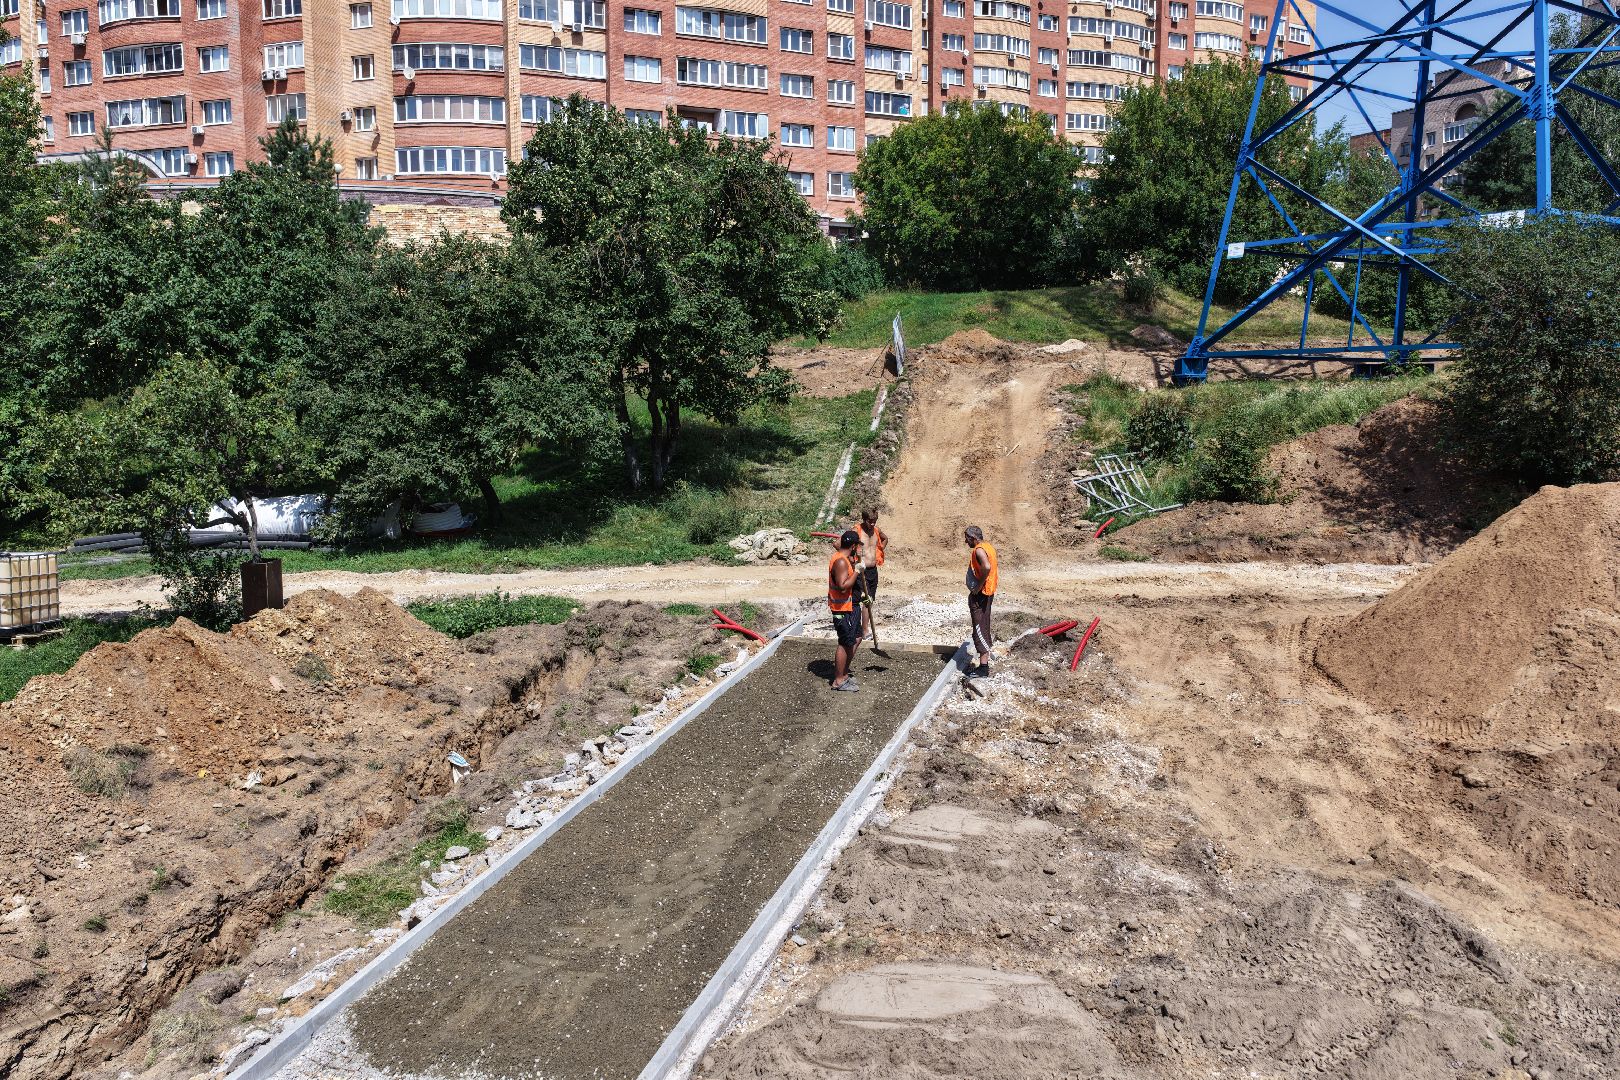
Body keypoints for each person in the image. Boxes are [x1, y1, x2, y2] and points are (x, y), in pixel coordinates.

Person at [828, 529, 864, 692]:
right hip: (842, 608)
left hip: (851, 606)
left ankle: (844, 672)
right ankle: (839, 680)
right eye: (858, 546)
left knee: (856, 638)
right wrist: (857, 571)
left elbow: (838, 544)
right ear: (854, 546)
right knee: (845, 643)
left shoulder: (844, 556)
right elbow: (843, 587)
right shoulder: (841, 562)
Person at [964, 525, 998, 678]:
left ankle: (983, 669)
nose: (965, 541)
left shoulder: (978, 550)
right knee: (983, 626)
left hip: (982, 594)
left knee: (980, 629)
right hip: (987, 593)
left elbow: (986, 566)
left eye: (967, 538)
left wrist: (978, 585)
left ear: (973, 537)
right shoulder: (988, 547)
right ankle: (983, 664)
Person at [852, 508, 887, 641]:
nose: (872, 524)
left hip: (873, 571)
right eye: (870, 521)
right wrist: (851, 559)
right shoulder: (857, 530)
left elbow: (885, 538)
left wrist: (881, 548)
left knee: (870, 600)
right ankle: (865, 630)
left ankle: (864, 628)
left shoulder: (876, 530)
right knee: (867, 600)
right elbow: (840, 544)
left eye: (874, 521)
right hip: (862, 570)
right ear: (864, 519)